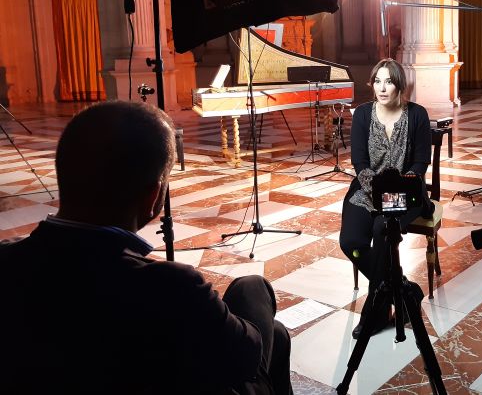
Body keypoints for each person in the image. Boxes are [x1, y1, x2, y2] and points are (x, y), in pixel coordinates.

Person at [0, 101, 292, 394]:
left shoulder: (6, 258)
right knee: (252, 287)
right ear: (154, 197)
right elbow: (246, 359)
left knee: (277, 334)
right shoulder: (170, 287)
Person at [339, 58, 433, 338]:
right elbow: (359, 162)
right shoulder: (362, 114)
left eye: (388, 82)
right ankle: (403, 290)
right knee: (351, 243)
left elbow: (420, 163)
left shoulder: (417, 114)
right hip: (367, 188)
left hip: (406, 191)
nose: (381, 88)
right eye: (377, 81)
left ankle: (375, 311)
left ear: (399, 85)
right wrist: (375, 190)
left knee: (382, 229)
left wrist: (397, 188)